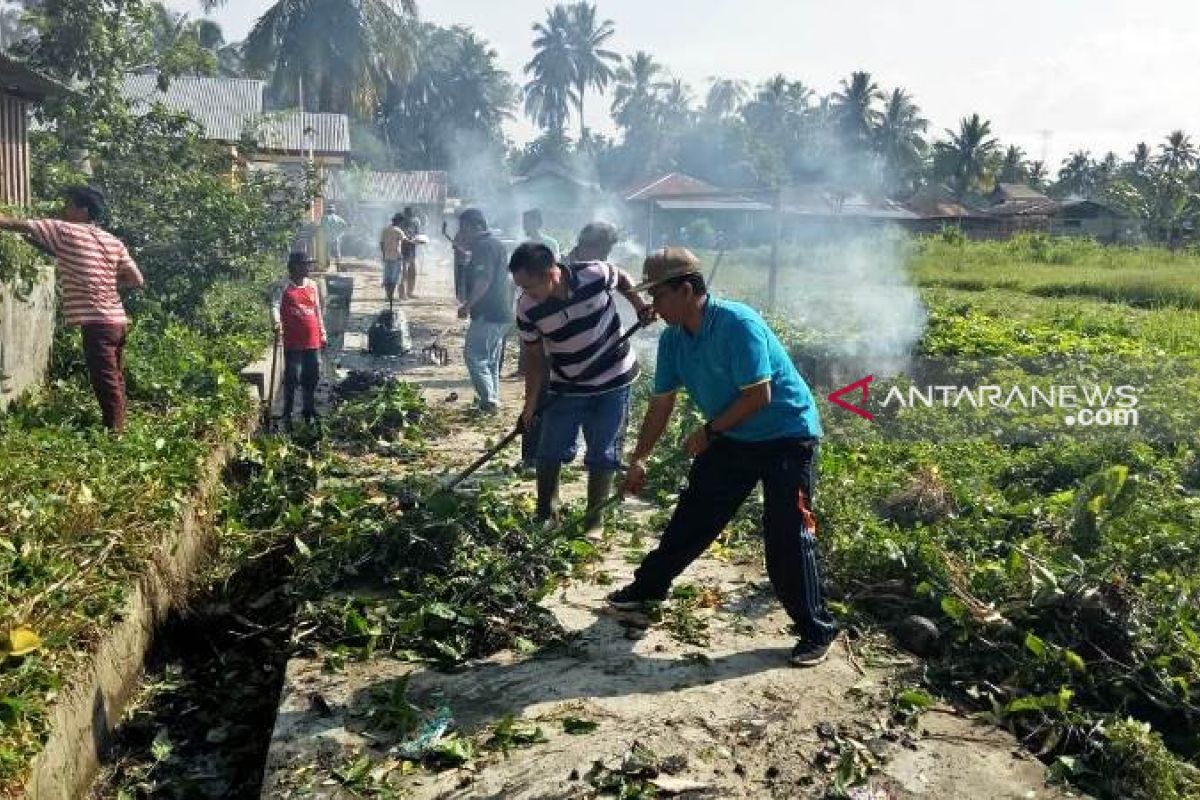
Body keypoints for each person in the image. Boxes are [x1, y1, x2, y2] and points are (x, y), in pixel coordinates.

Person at [611, 247, 838, 668]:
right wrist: (639, 458)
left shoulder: (737, 324)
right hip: (733, 434)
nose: (652, 307)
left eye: (657, 296)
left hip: (786, 435)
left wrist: (710, 431)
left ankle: (816, 629)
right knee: (694, 515)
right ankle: (647, 589)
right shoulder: (675, 340)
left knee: (787, 533)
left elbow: (760, 395)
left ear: (684, 290)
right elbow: (661, 405)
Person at [511, 225, 655, 531]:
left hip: (614, 379)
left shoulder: (594, 274)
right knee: (549, 450)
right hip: (567, 384)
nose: (526, 295)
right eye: (521, 288)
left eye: (530, 287)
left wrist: (640, 306)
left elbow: (622, 278)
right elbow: (535, 361)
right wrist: (530, 407)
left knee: (603, 451)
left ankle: (594, 521)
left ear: (552, 274)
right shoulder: (526, 309)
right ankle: (547, 513)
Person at [0, 185, 143, 432]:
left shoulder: (66, 231)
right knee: (115, 377)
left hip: (97, 323)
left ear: (83, 210)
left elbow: (16, 225)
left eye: (69, 205)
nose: (65, 210)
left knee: (105, 379)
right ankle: (120, 425)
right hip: (118, 321)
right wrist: (107, 281)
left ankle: (115, 433)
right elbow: (136, 280)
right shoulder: (112, 241)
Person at [456, 208, 511, 414]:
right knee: (490, 360)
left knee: (474, 356)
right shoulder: (495, 244)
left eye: (464, 228)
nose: (462, 233)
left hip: (487, 313)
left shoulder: (483, 247)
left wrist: (467, 305)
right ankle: (492, 399)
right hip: (501, 313)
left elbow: (484, 280)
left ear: (477, 226)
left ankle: (488, 401)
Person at [271, 252, 327, 428]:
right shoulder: (283, 286)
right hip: (293, 339)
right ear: (295, 266)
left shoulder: (312, 285)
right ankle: (287, 411)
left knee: (313, 373)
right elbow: (274, 306)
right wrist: (276, 322)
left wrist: (323, 330)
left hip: (312, 337)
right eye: (305, 264)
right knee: (292, 375)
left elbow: (317, 309)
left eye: (309, 264)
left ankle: (308, 408)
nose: (309, 268)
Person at [509, 209, 561, 380]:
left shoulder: (550, 243)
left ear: (538, 222)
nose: (525, 225)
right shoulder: (523, 245)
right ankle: (523, 367)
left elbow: (556, 267)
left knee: (546, 332)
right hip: (527, 294)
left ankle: (548, 369)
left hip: (547, 294)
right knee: (526, 331)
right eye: (524, 221)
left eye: (528, 221)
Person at [380, 213, 406, 304]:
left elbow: (381, 243)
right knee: (394, 278)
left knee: (387, 277)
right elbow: (405, 241)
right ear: (399, 221)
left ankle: (388, 295)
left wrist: (383, 254)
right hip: (396, 257)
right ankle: (391, 295)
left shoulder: (385, 230)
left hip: (387, 256)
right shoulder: (399, 231)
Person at [399, 206, 421, 300]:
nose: (409, 216)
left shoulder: (414, 223)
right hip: (404, 251)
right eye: (408, 214)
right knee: (404, 274)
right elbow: (401, 238)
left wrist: (418, 240)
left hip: (412, 251)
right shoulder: (401, 224)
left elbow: (417, 235)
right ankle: (402, 294)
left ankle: (410, 292)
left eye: (411, 214)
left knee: (413, 272)